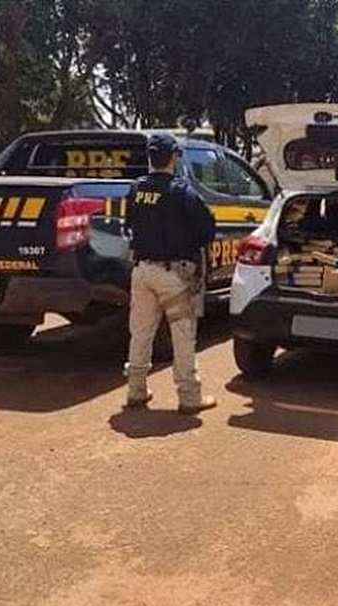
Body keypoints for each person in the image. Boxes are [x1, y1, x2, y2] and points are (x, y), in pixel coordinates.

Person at [124, 133, 218, 414]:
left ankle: (136, 391)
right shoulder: (183, 191)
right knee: (183, 335)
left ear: (150, 158)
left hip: (142, 271)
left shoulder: (136, 189)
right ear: (174, 158)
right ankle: (189, 398)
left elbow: (130, 223)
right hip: (174, 276)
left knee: (140, 333)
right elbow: (207, 230)